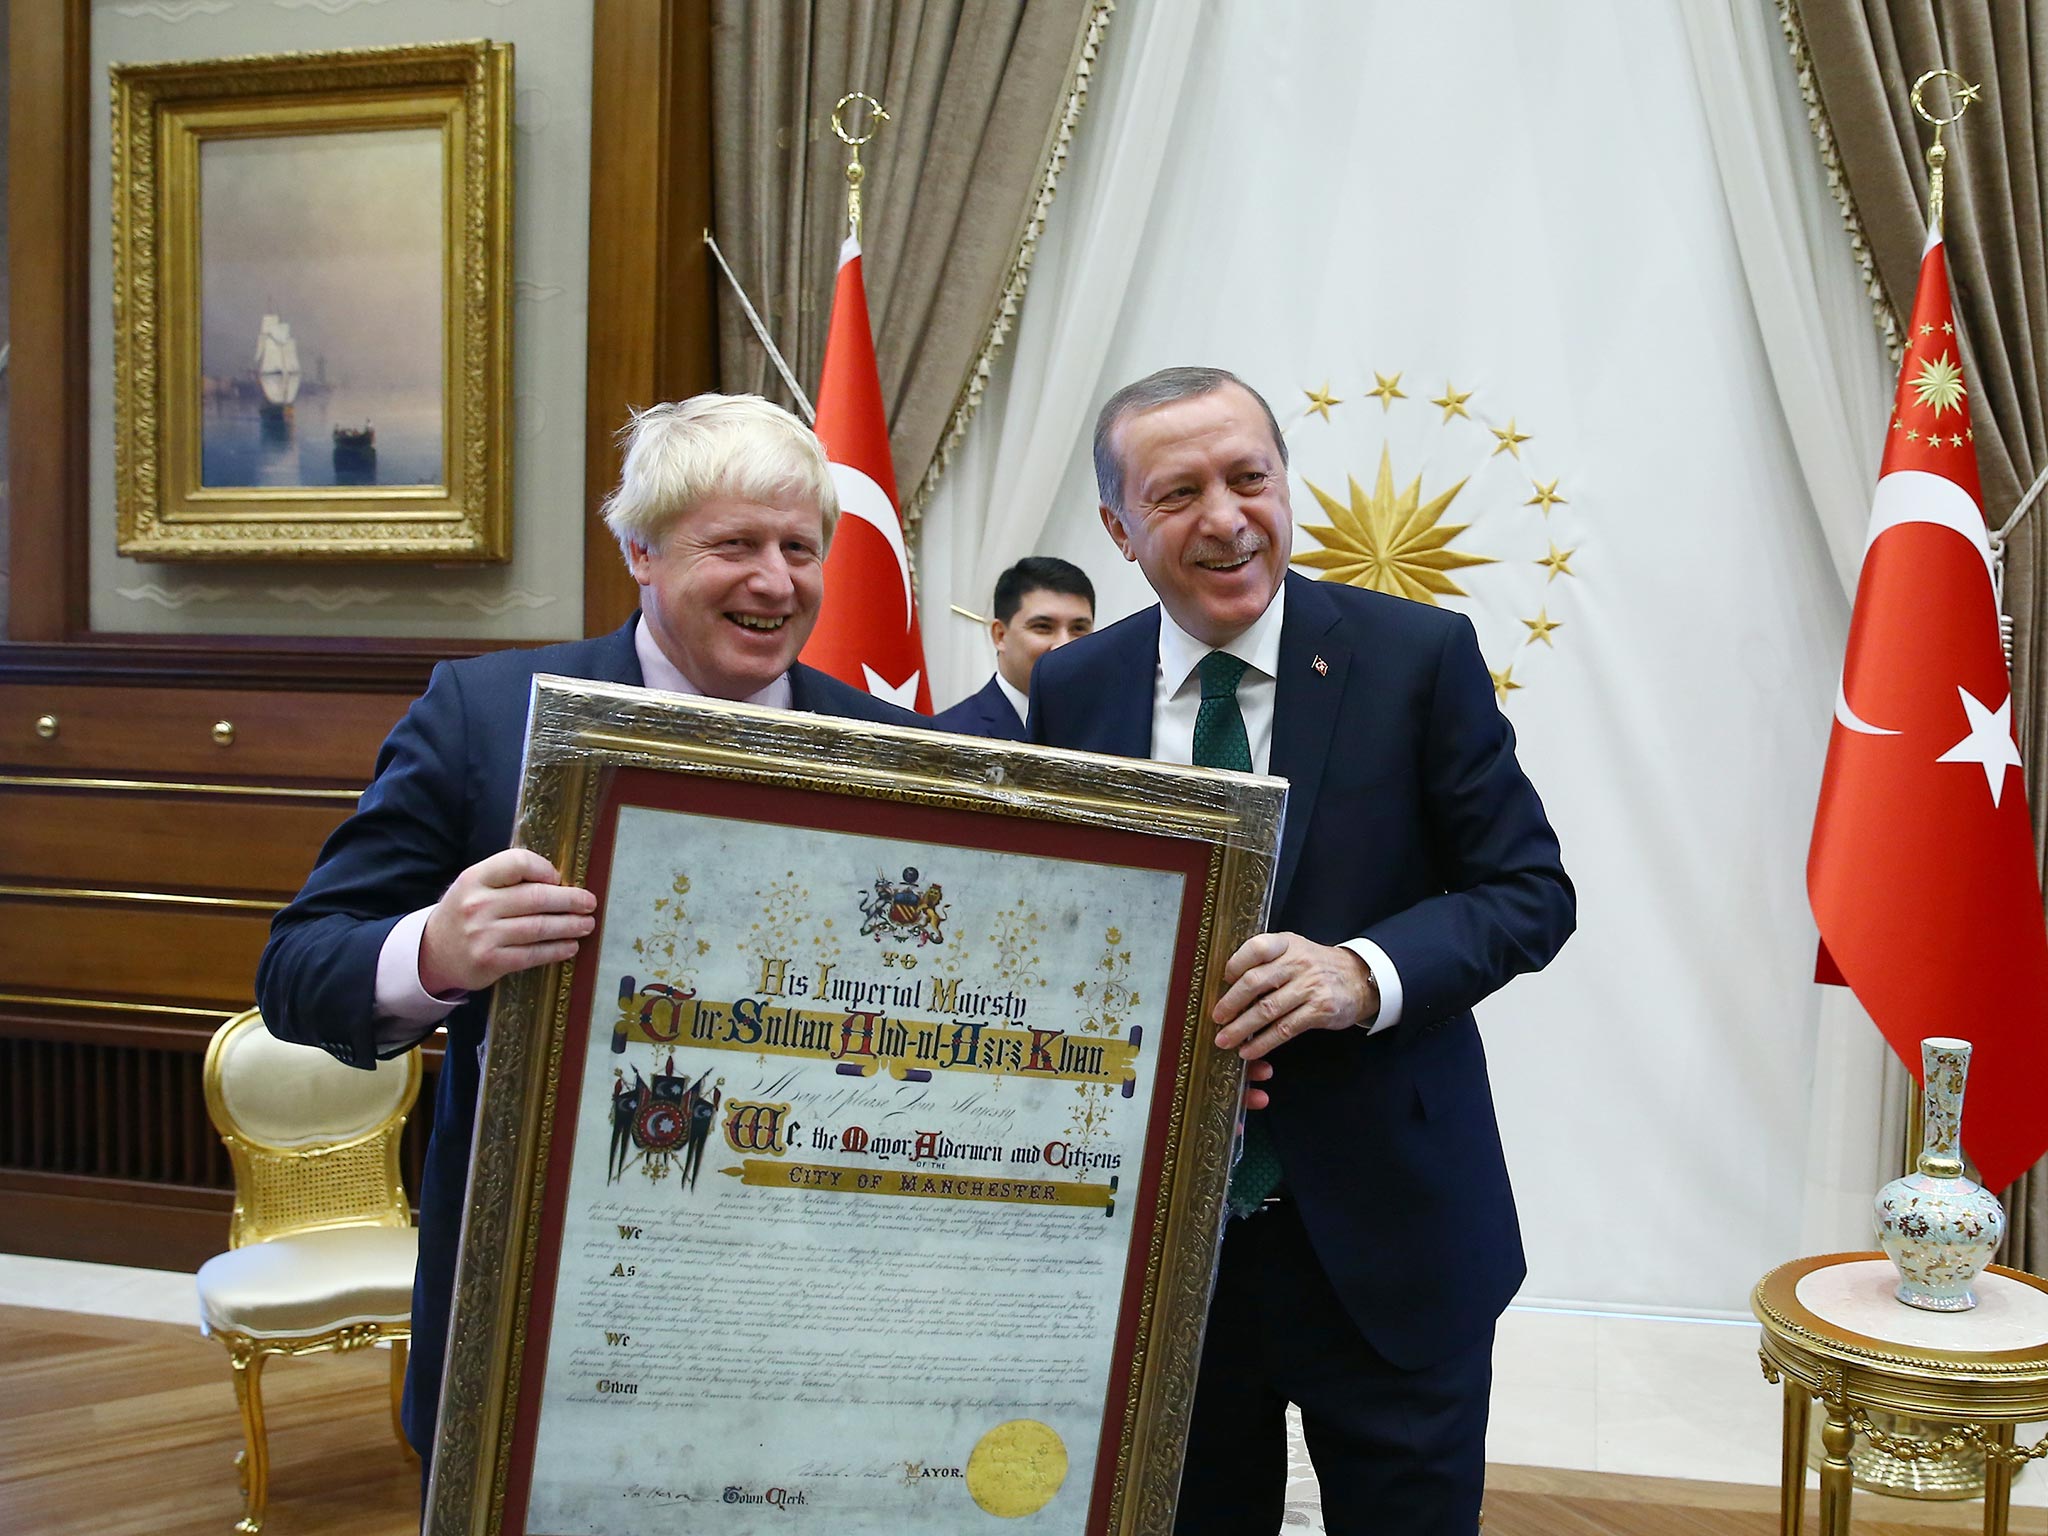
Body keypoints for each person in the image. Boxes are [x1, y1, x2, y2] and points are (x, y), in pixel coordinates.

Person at [254, 393, 920, 1486]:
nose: (774, 581)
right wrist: (436, 950)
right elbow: (296, 970)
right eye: (734, 544)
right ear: (640, 553)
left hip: (816, 1321)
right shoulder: (483, 714)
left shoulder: (897, 751)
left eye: (799, 548)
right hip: (545, 1306)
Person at [1029, 367, 1574, 1535]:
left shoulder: (1415, 656)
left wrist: (1358, 973)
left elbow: (1527, 891)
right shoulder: (1075, 686)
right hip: (1165, 1256)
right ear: (1121, 532)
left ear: (1286, 484)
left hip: (1392, 1239)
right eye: (1177, 494)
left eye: (1248, 477)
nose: (1224, 518)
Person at [932, 556, 1095, 739]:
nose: (1065, 645)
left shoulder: (1111, 729)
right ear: (1000, 635)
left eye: (1078, 629)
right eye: (1043, 627)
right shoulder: (949, 736)